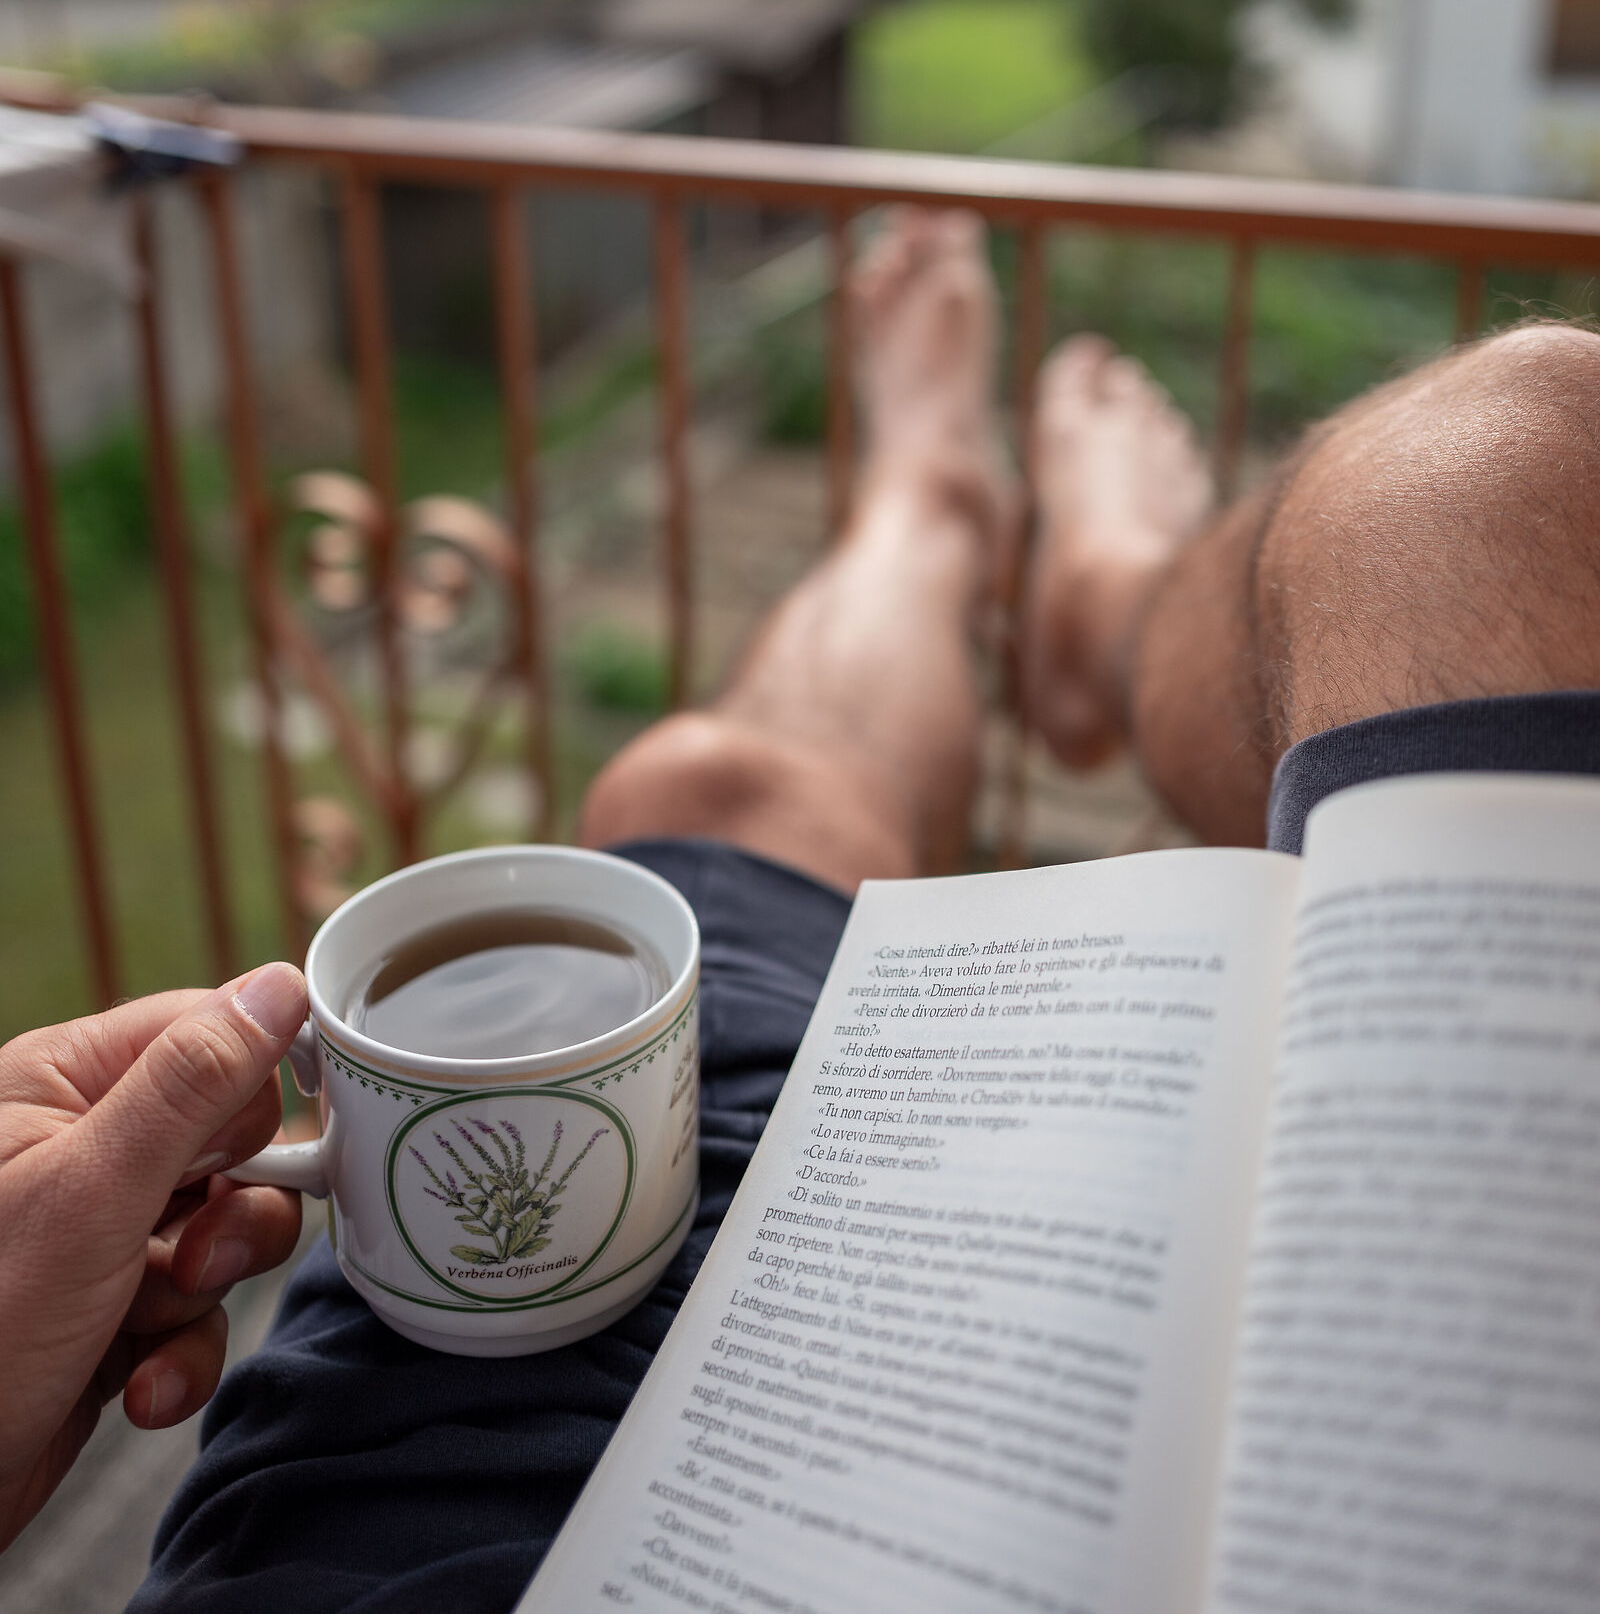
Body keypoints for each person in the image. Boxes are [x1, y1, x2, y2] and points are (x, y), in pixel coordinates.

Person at [3, 210, 1599, 1610]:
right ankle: (1061, 573)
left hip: (405, 1469)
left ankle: (952, 515)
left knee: (713, 783)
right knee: (1512, 463)